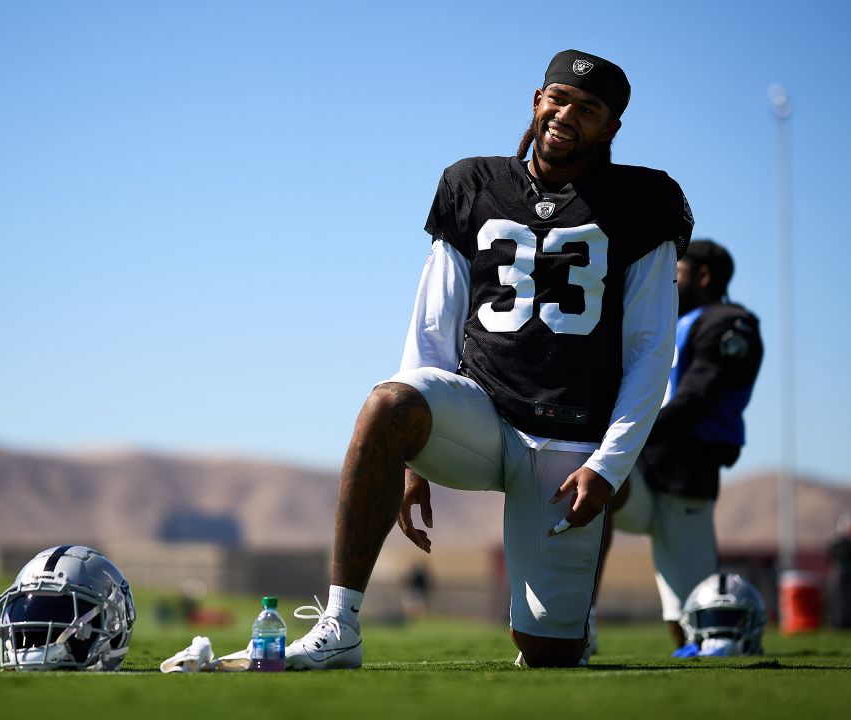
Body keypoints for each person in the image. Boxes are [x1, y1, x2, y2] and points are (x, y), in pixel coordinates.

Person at [285, 49, 693, 669]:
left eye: (588, 109)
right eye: (557, 99)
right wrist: (412, 451)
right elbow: (432, 325)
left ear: (610, 128)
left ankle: (567, 624)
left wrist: (609, 467)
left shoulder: (644, 198)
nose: (566, 115)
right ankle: (339, 624)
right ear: (537, 101)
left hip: (570, 441)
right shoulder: (472, 183)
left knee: (548, 653)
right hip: (481, 412)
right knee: (389, 403)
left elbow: (649, 349)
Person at [605, 239, 763, 649]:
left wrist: (629, 434)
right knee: (591, 488)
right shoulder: (661, 320)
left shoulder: (730, 322)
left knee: (699, 626)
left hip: (686, 473)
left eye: (681, 267)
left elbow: (697, 398)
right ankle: (574, 621)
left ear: (705, 274)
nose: (670, 276)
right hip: (639, 466)